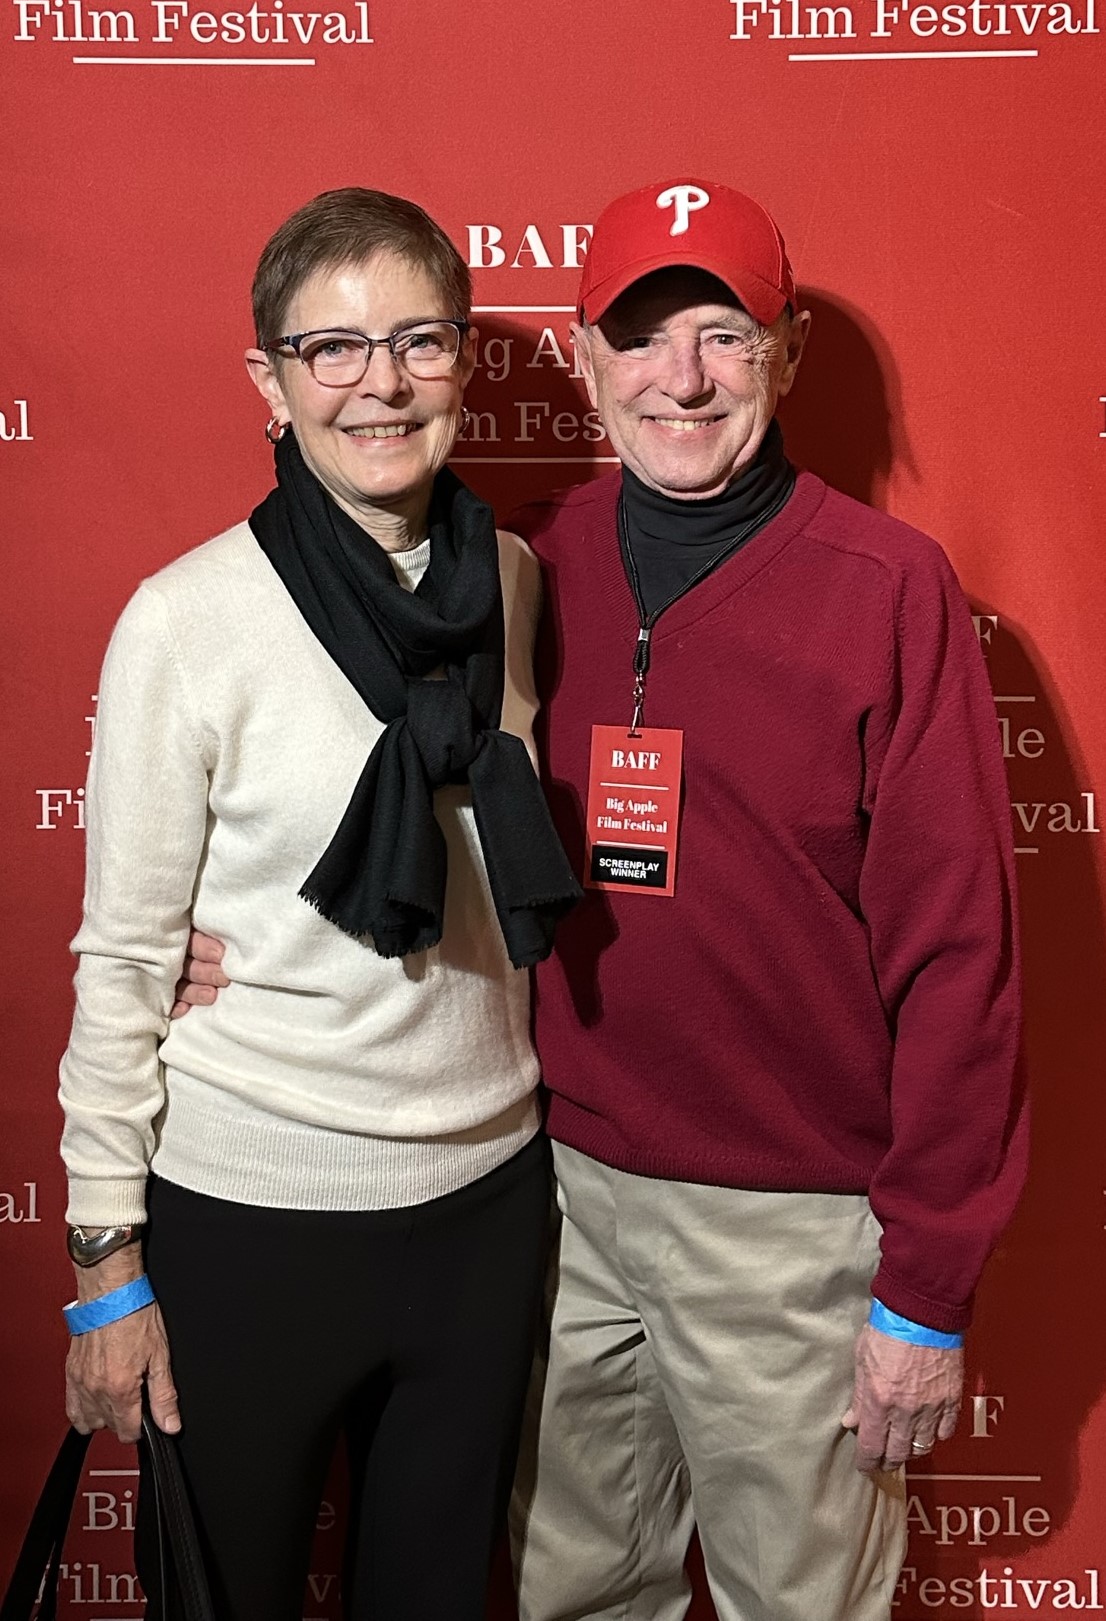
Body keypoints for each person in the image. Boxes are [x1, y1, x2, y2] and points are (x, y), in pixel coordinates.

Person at [179, 178, 1026, 1621]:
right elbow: (380, 800)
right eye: (639, 338)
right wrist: (244, 946)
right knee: (572, 1594)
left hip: (793, 1226)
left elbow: (962, 958)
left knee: (802, 1604)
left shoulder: (890, 588)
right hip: (556, 1199)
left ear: (785, 354)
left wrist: (924, 1285)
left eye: (721, 334)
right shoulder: (512, 565)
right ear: (582, 358)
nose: (678, 378)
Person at [58, 185, 579, 1621]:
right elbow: (123, 960)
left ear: (463, 361)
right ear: (269, 384)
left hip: (484, 1205)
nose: (381, 383)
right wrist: (106, 1257)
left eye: (417, 339)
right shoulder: (189, 616)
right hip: (252, 1216)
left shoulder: (515, 584)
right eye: (332, 349)